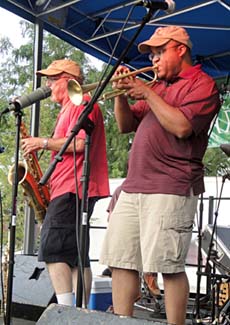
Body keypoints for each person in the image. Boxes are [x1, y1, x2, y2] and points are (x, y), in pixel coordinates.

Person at [100, 26, 220, 325]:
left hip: (171, 187)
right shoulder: (160, 86)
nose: (153, 59)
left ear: (180, 49)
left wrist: (147, 91)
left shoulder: (202, 85)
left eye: (159, 52)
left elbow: (181, 127)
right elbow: (126, 125)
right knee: (121, 261)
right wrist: (122, 94)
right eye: (151, 54)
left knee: (168, 265)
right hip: (134, 186)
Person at [21, 59, 110, 306]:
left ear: (67, 81)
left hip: (73, 187)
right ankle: (76, 313)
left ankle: (65, 311)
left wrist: (42, 143)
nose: (47, 85)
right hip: (68, 187)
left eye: (52, 80)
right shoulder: (69, 107)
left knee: (53, 250)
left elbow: (79, 144)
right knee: (74, 255)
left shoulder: (81, 102)